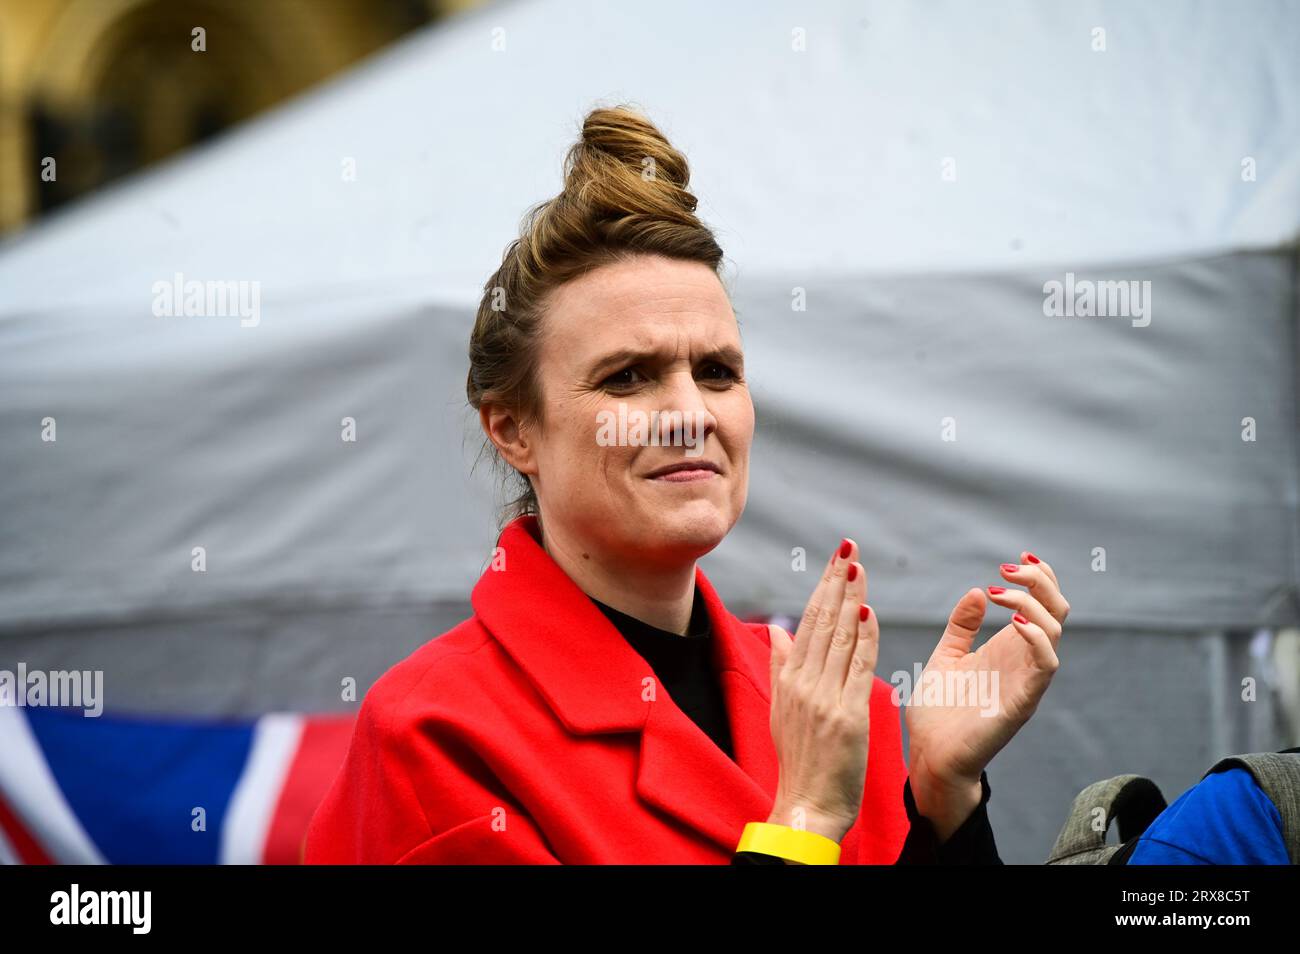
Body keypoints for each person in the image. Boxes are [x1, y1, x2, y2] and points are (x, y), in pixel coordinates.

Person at [304, 105, 1070, 865]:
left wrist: (944, 800)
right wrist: (802, 819)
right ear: (513, 429)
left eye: (717, 372)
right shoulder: (434, 733)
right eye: (628, 377)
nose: (688, 415)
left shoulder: (832, 701)